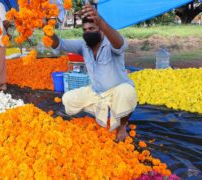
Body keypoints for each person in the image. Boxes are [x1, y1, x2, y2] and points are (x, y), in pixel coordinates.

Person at [49, 5, 138, 141]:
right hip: (96, 92)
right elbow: (58, 44)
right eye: (85, 30)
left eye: (92, 28)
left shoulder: (111, 43)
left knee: (127, 92)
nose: (88, 32)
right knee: (68, 99)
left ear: (101, 30)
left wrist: (101, 21)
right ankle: (102, 114)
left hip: (117, 91)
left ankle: (122, 126)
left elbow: (120, 44)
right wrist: (47, 30)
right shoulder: (83, 46)